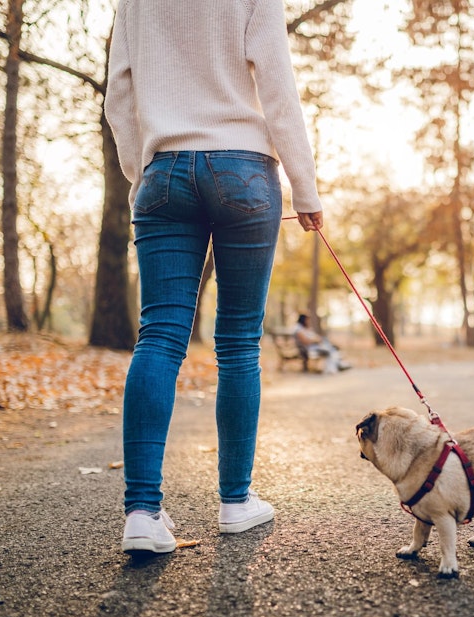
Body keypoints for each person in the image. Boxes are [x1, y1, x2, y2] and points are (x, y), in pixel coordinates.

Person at [105, 0, 324, 554]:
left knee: (158, 336)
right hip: (243, 171)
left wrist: (145, 171)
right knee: (238, 342)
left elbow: (119, 96)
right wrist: (305, 186)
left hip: (164, 172)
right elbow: (277, 84)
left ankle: (141, 513)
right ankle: (234, 501)